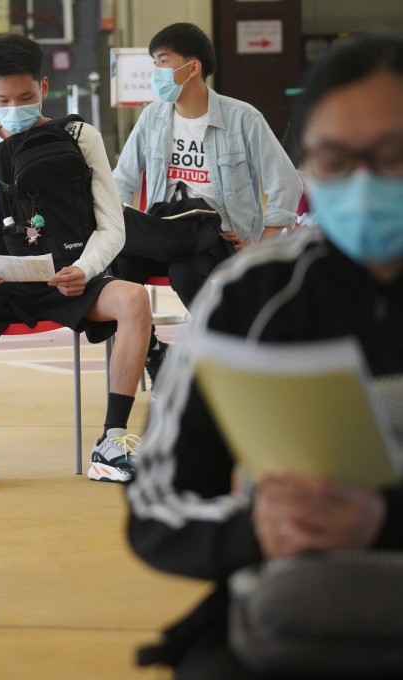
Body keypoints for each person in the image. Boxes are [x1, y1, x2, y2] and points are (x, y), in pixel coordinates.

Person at [126, 34, 403, 678]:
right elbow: (156, 504)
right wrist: (261, 528)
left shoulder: (242, 120)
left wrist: (383, 522)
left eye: (392, 157)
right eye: (335, 159)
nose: (363, 181)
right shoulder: (253, 295)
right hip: (292, 615)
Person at [0, 34, 152, 488]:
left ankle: (113, 440)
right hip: (0, 281)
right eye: (4, 100)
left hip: (70, 276)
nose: (15, 108)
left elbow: (112, 226)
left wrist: (85, 269)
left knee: (133, 299)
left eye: (26, 97)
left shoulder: (81, 137)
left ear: (44, 87)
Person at [112, 23, 302, 385]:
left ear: (192, 67)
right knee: (114, 272)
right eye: (154, 63)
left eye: (163, 61)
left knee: (185, 274)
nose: (156, 72)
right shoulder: (153, 116)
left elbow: (286, 180)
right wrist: (117, 222)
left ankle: (227, 359)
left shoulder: (242, 118)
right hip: (164, 230)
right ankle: (155, 354)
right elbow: (122, 178)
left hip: (217, 233)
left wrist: (264, 244)